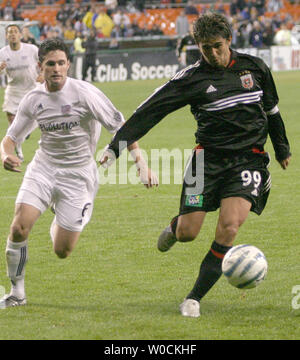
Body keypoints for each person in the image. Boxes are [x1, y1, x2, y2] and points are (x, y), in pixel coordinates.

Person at [100, 13, 291, 318]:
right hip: (206, 161)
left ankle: (193, 298)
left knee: (229, 227)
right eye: (205, 48)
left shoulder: (255, 68)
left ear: (229, 40)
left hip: (249, 158)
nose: (212, 54)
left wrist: (281, 147)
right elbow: (150, 111)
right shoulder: (192, 79)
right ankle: (176, 229)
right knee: (189, 232)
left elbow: (272, 110)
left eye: (217, 46)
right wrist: (115, 147)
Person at [0, 38, 158, 309]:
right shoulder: (33, 99)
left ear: (69, 64)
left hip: (78, 176)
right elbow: (9, 139)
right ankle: (17, 292)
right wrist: (5, 155)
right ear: (41, 66)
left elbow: (122, 127)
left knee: (62, 250)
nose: (57, 69)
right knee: (19, 226)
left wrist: (140, 163)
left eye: (62, 63)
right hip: (44, 168)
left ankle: (58, 213)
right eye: (51, 64)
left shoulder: (85, 94)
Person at [0, 24, 41, 161]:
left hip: (31, 88)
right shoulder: (3, 53)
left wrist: (42, 74)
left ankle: (23, 136)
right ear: (6, 36)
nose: (12, 34)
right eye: (10, 32)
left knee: (34, 118)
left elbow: (44, 61)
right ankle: (17, 148)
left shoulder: (32, 49)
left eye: (15, 32)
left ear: (20, 35)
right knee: (12, 119)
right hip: (14, 89)